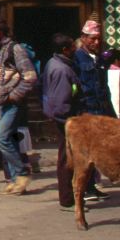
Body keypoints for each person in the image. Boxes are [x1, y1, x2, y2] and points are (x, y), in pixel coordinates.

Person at [0, 13, 38, 196]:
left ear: (1, 30)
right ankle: (15, 183)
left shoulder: (15, 49)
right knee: (9, 140)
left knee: (0, 138)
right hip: (2, 102)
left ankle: (22, 172)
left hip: (13, 103)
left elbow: (30, 77)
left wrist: (13, 96)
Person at [72, 19, 114, 201]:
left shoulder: (99, 59)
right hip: (87, 109)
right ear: (83, 38)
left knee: (97, 150)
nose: (96, 42)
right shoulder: (77, 58)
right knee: (86, 151)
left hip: (100, 109)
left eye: (98, 39)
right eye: (92, 39)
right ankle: (84, 187)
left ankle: (92, 185)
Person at [41, 33, 82, 212]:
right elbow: (62, 101)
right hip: (64, 119)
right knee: (66, 158)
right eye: (72, 46)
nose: (75, 49)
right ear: (65, 49)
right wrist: (68, 119)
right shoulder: (62, 70)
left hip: (60, 116)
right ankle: (67, 199)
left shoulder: (54, 63)